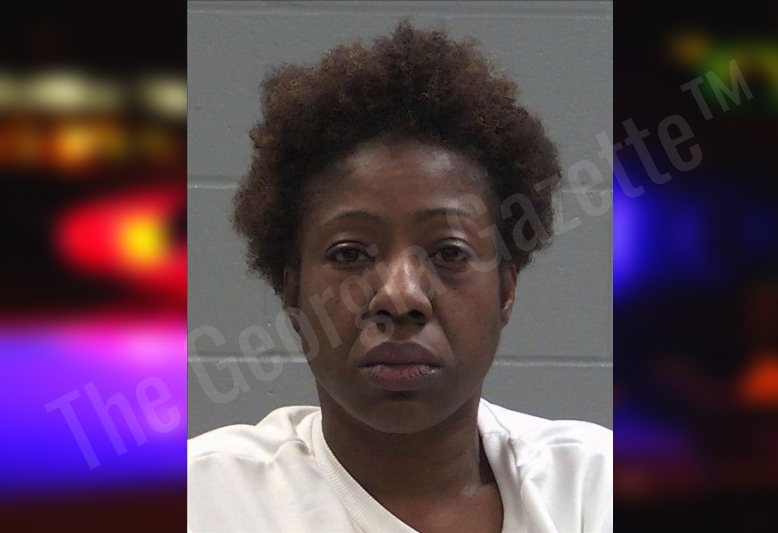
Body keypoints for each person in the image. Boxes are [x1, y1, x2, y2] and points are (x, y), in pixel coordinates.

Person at [188, 20, 612, 533]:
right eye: (349, 254)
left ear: (505, 290)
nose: (400, 296)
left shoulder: (595, 488)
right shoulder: (204, 500)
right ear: (292, 294)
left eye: (449, 253)